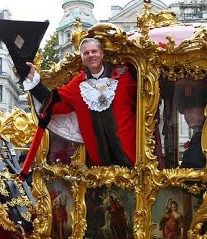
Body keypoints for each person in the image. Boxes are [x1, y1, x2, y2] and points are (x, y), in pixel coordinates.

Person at [23, 37, 137, 167]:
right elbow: (53, 103)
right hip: (99, 164)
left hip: (132, 155)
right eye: (86, 53)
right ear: (82, 58)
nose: (91, 55)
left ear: (102, 53)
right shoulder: (78, 84)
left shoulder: (125, 76)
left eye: (94, 51)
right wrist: (34, 84)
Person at [17, 153, 43, 239]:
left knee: (37, 234)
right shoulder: (19, 175)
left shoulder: (35, 174)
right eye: (22, 163)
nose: (23, 165)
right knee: (27, 235)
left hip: (37, 206)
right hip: (25, 209)